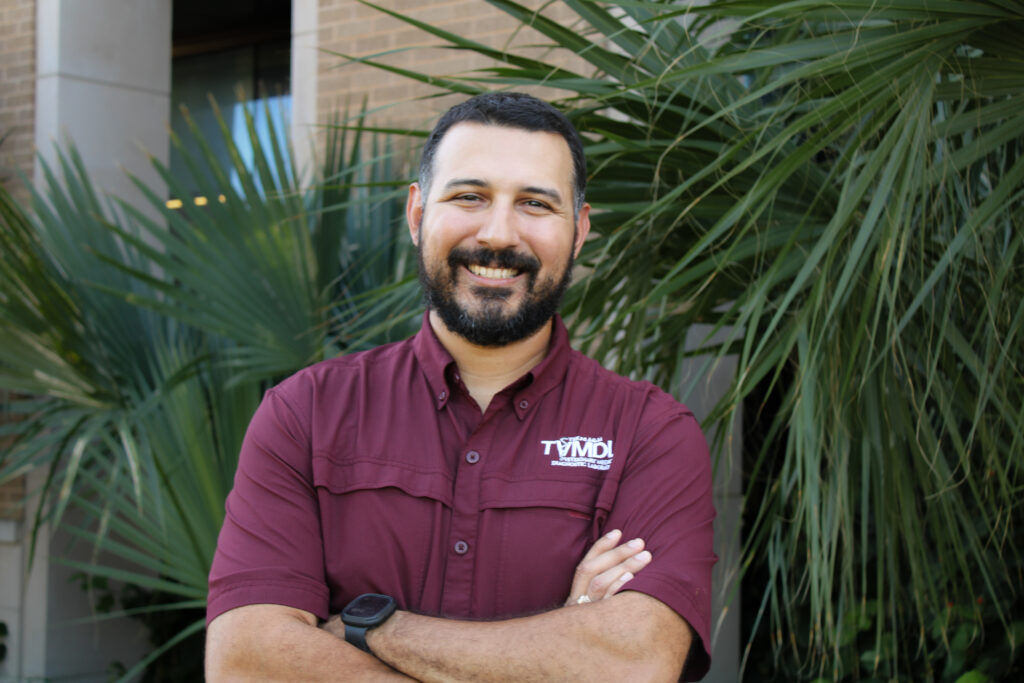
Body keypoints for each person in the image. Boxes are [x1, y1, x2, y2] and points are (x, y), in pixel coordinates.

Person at [205, 91, 716, 681]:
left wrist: (366, 629)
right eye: (469, 196)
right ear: (418, 214)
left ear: (578, 231)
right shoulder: (305, 414)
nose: (499, 234)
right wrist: (561, 644)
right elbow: (249, 662)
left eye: (534, 204)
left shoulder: (649, 435)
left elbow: (633, 661)